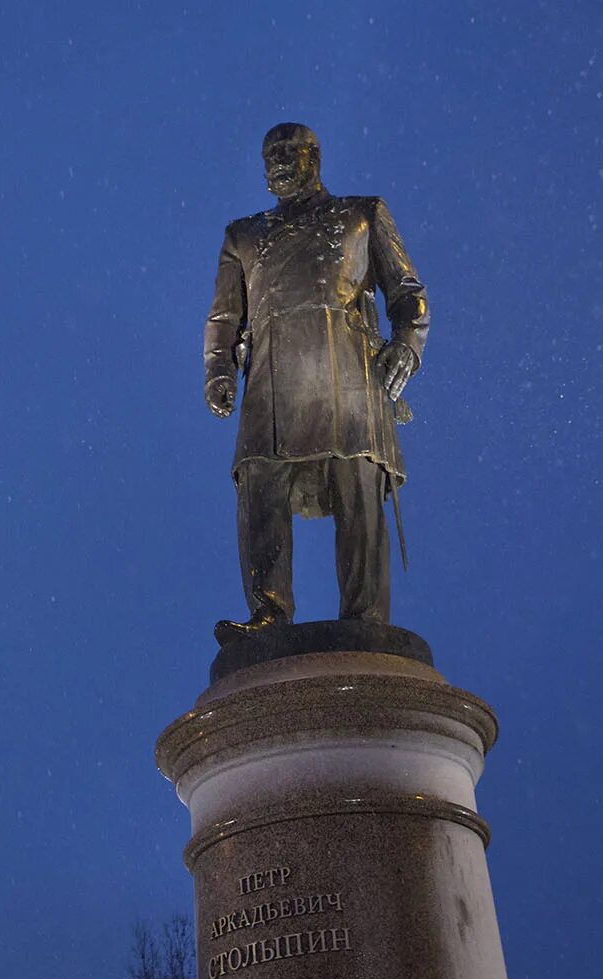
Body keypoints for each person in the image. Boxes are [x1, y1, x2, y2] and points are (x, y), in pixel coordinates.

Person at [203, 122, 429, 643]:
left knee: (358, 488)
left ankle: (366, 617)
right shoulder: (244, 235)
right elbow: (223, 316)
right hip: (271, 379)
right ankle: (268, 612)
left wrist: (407, 346)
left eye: (288, 151)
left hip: (347, 370)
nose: (277, 162)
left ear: (315, 157)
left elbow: (409, 294)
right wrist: (218, 369)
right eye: (268, 155)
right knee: (260, 483)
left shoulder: (361, 214)